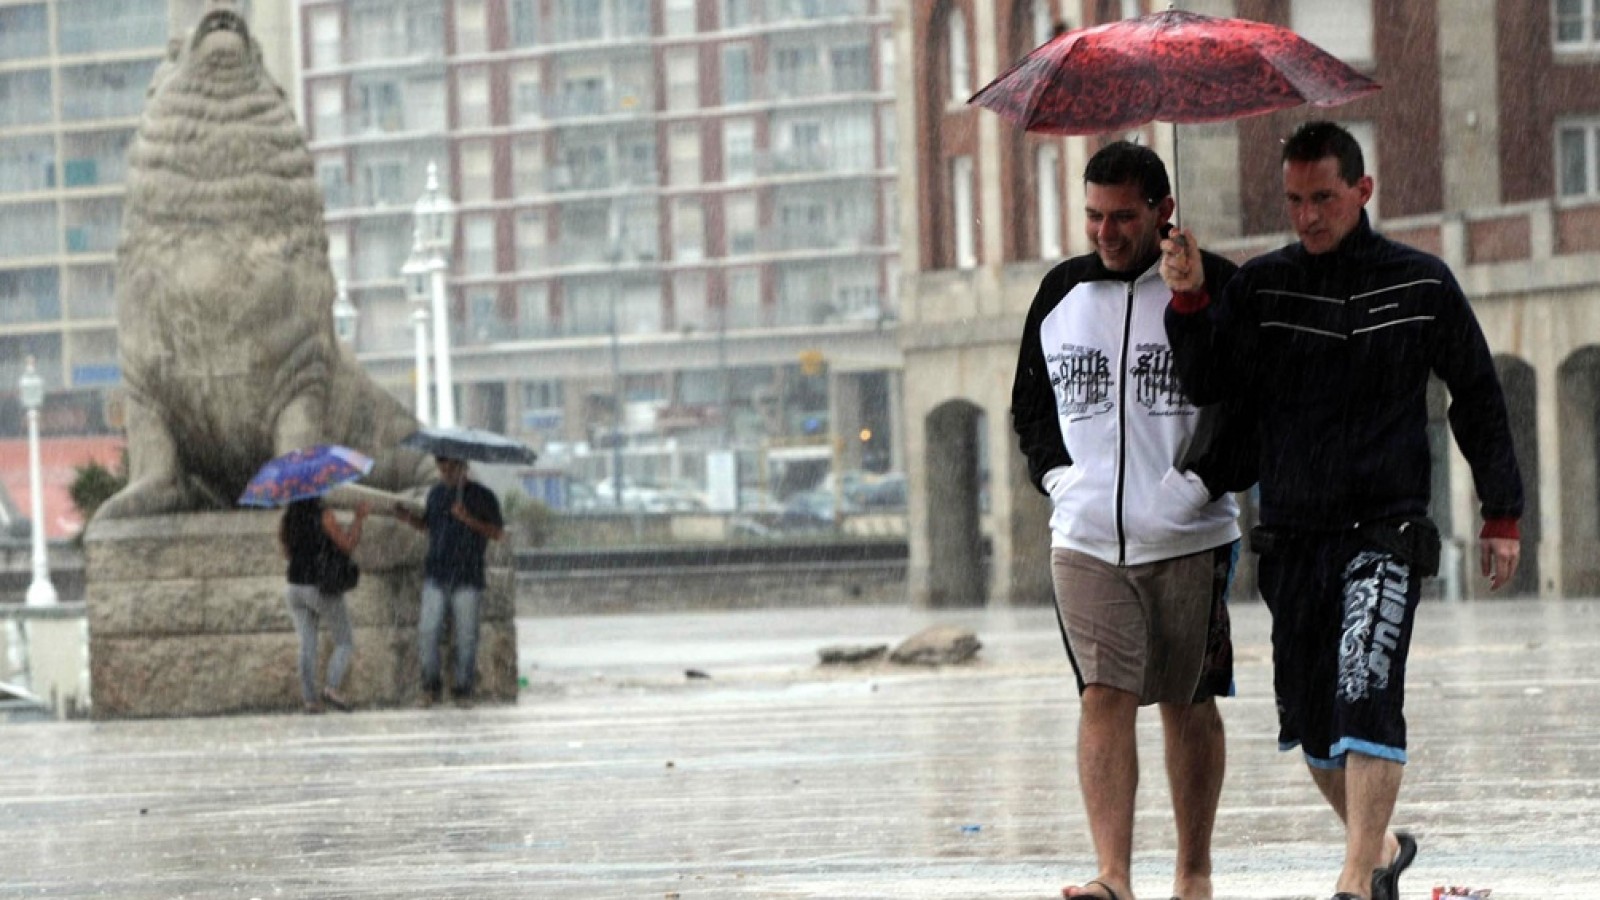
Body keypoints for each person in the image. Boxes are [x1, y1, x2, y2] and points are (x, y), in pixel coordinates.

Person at [1159, 120, 1524, 900]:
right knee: (1314, 727)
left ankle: (1356, 880)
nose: (1309, 216)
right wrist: (1190, 298)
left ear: (1363, 190)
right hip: (1292, 535)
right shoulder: (1263, 287)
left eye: (1324, 197)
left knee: (1368, 689)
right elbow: (1205, 381)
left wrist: (1502, 513)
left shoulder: (1421, 283)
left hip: (1385, 528)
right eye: (1294, 201)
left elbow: (1478, 396)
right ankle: (1383, 848)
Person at [1010, 140, 1250, 900]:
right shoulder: (1059, 293)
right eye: (1093, 216)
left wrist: (1196, 486)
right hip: (1083, 537)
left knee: (1187, 702)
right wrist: (1058, 478)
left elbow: (1246, 408)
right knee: (1102, 694)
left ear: (1163, 211)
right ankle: (1113, 875)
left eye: (1122, 217)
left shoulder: (1221, 288)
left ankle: (1193, 872)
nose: (1105, 233)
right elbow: (1030, 406)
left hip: (1190, 535)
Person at [395, 456, 505, 708]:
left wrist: (467, 518)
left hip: (468, 577)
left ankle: (463, 690)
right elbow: (428, 527)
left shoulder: (483, 496)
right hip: (436, 575)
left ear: (463, 467)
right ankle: (430, 688)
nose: (445, 474)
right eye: (442, 469)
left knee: (466, 637)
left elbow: (497, 532)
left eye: (450, 469)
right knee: (427, 632)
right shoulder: (436, 494)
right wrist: (408, 519)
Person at [279, 496, 369, 714]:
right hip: (319, 586)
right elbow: (347, 545)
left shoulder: (288, 517)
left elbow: (286, 553)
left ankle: (310, 700)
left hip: (294, 588)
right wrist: (358, 519)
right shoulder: (324, 514)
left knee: (307, 644)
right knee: (345, 640)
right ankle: (332, 687)